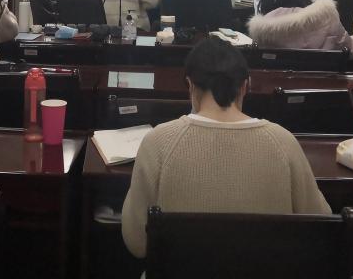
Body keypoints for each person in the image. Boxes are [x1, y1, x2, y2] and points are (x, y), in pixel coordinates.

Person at [121, 38, 329, 258]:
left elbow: (137, 242)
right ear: (245, 86)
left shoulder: (158, 141)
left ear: (190, 85)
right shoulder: (283, 141)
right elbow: (319, 226)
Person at [247, 0, 353, 58]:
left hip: (275, 81)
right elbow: (352, 51)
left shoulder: (261, 30)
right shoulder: (327, 18)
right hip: (324, 80)